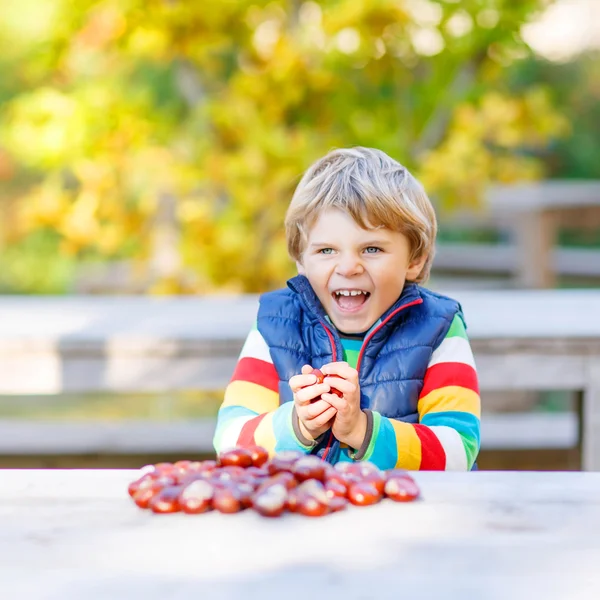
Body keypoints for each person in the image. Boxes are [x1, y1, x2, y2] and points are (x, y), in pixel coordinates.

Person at [213, 147, 480, 470]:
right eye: (327, 250)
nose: (349, 267)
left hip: (406, 515)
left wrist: (363, 431)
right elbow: (230, 442)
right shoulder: (276, 326)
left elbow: (459, 452)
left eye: (371, 249)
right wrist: (297, 425)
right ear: (301, 258)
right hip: (304, 514)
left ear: (415, 259)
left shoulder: (438, 327)